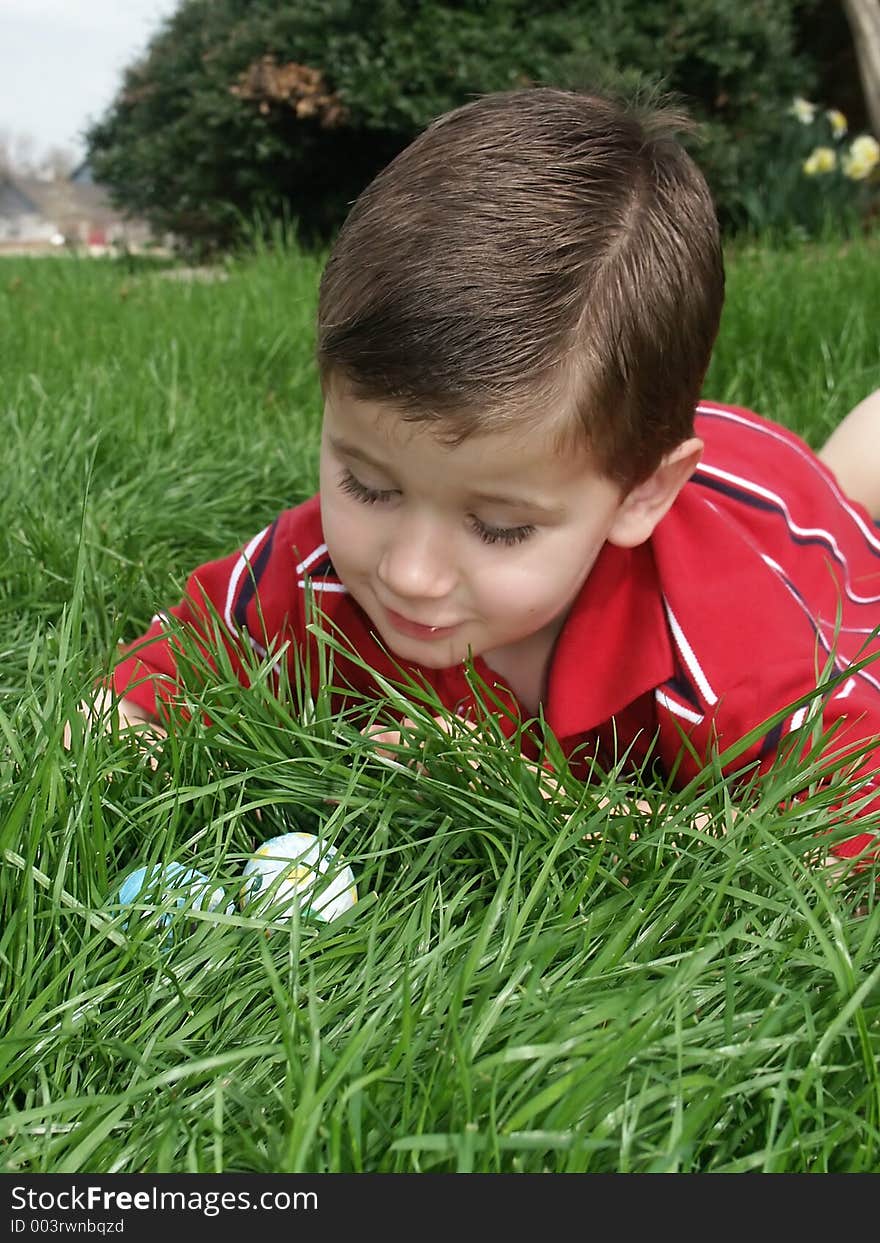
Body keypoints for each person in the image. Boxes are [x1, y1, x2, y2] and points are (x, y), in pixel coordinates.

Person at [80, 88, 880, 860]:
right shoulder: (316, 573)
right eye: (367, 484)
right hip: (637, 453)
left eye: (500, 526)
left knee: (852, 485)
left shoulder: (729, 636)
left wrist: (541, 805)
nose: (409, 573)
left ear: (639, 496)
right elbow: (156, 673)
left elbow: (839, 835)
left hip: (774, 505)